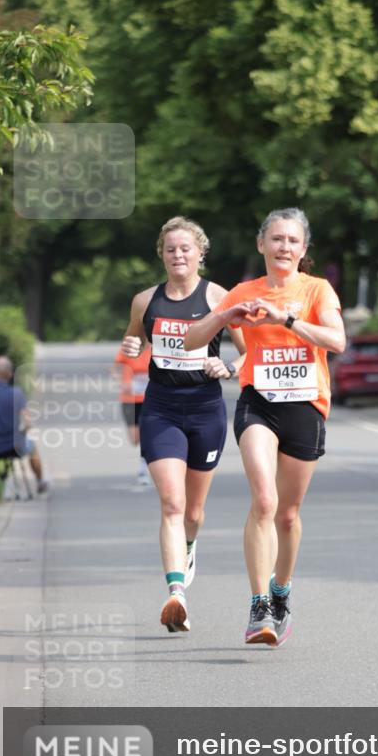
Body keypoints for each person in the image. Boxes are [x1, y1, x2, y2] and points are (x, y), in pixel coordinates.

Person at [184, 208, 345, 647]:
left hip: (306, 406)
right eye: (276, 239)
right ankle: (259, 606)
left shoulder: (317, 289)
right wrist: (224, 315)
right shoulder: (245, 291)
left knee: (288, 514)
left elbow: (337, 341)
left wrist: (285, 320)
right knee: (264, 500)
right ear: (262, 245)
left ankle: (280, 590)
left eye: (293, 241)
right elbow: (191, 339)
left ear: (303, 249)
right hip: (259, 403)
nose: (284, 247)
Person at [120, 216, 246, 634]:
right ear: (162, 253)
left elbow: (249, 353)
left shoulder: (220, 297)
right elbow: (135, 338)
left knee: (193, 511)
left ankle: (189, 546)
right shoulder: (144, 300)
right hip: (161, 408)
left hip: (206, 408)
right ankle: (177, 594)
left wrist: (226, 367)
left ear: (200, 253)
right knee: (172, 505)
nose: (178, 255)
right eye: (171, 249)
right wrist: (131, 344)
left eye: (185, 249)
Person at [0, 355, 48, 493]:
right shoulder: (17, 394)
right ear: (10, 374)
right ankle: (40, 482)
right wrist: (24, 432)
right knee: (32, 446)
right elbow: (28, 422)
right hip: (13, 447)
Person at [113, 345, 152, 485]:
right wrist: (122, 383)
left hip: (151, 399)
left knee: (148, 433)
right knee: (135, 438)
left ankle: (143, 468)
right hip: (130, 399)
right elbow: (116, 369)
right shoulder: (130, 346)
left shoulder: (159, 346)